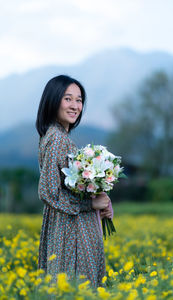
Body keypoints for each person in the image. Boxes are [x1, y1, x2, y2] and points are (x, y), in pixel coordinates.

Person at [35, 75, 112, 288]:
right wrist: (90, 204)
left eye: (79, 100)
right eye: (68, 99)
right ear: (53, 100)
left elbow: (66, 186)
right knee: (77, 286)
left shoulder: (54, 136)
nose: (75, 106)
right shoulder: (58, 140)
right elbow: (48, 192)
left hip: (67, 225)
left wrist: (99, 194)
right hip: (71, 231)